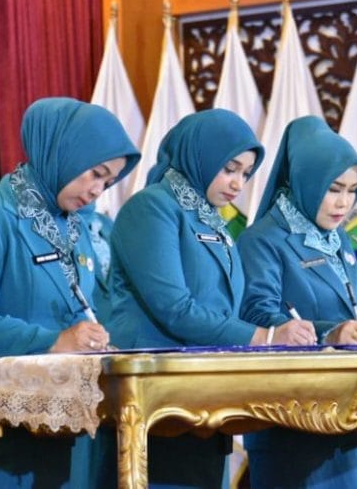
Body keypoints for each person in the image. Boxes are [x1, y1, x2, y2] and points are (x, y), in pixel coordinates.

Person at [0, 97, 140, 488]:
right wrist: (54, 341)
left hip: (60, 419)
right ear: (65, 152)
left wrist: (92, 340)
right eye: (95, 174)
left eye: (107, 183)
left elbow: (78, 307)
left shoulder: (74, 229)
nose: (97, 191)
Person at [101, 109, 317, 488]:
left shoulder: (212, 220)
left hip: (204, 396)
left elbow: (227, 307)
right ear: (199, 156)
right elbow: (174, 308)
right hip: (154, 398)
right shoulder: (151, 208)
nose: (238, 183)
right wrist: (263, 337)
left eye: (246, 174)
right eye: (229, 169)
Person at [238, 115, 357, 488]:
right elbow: (255, 314)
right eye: (334, 189)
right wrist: (329, 333)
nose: (344, 203)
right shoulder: (262, 240)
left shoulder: (337, 239)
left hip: (349, 416)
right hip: (291, 424)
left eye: (352, 190)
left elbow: (351, 313)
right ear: (307, 181)